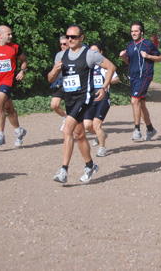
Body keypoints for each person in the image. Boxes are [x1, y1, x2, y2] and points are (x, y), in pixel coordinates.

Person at [49, 25, 116, 184]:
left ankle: (63, 170)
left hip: (84, 98)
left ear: (81, 38)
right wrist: (55, 70)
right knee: (79, 135)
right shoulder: (62, 55)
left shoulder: (90, 55)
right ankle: (90, 166)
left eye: (73, 37)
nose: (70, 39)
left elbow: (111, 67)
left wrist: (104, 87)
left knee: (67, 129)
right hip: (70, 99)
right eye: (68, 36)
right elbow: (51, 79)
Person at [119, 21, 161, 141]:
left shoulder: (148, 44)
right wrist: (123, 57)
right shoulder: (130, 46)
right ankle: (150, 129)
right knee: (141, 104)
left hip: (145, 75)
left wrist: (148, 56)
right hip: (133, 77)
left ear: (141, 32)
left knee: (134, 100)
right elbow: (129, 62)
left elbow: (159, 58)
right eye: (132, 31)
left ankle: (137, 130)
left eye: (136, 31)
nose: (133, 33)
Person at [83, 43, 120, 157]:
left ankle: (102, 148)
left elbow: (116, 78)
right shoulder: (87, 66)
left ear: (101, 53)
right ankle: (102, 135)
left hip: (103, 98)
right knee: (87, 125)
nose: (93, 54)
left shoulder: (104, 66)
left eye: (96, 51)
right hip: (91, 99)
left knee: (96, 125)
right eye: (91, 51)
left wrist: (107, 83)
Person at [50, 36, 69, 132]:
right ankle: (65, 117)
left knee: (70, 105)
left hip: (70, 82)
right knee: (54, 105)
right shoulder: (58, 55)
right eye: (61, 44)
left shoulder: (74, 54)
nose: (62, 46)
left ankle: (71, 127)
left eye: (64, 44)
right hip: (60, 82)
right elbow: (55, 68)